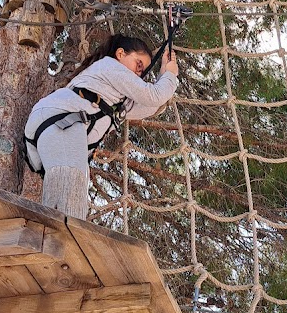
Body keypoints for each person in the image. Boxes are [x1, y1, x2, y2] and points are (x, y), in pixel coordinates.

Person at [24, 33, 179, 213]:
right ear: (120, 54)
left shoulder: (115, 99)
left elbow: (152, 105)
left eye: (142, 72)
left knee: (72, 199)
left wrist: (164, 73)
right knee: (70, 199)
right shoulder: (110, 66)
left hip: (57, 128)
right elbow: (154, 95)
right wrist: (171, 74)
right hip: (62, 123)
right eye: (138, 65)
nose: (139, 74)